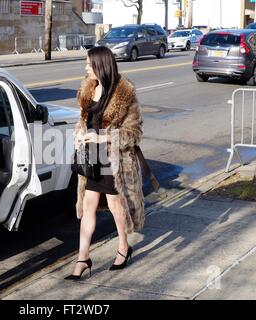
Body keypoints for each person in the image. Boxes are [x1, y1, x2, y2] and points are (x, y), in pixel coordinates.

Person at [65, 46, 144, 280]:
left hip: (114, 160)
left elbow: (134, 133)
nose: (85, 67)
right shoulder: (89, 89)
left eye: (89, 63)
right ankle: (82, 258)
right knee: (88, 206)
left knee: (115, 206)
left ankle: (123, 246)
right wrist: (80, 135)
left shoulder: (124, 93)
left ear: (101, 65)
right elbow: (83, 122)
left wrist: (104, 136)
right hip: (92, 159)